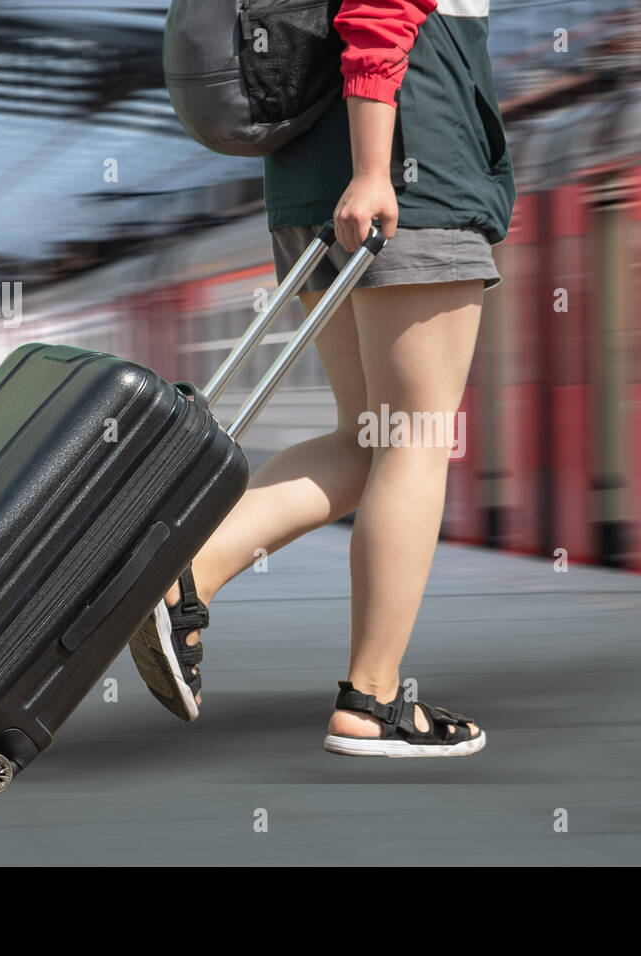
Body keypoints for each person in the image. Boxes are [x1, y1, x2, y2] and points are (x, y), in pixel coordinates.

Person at [129, 0, 515, 756]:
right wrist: (374, 170)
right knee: (416, 434)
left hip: (309, 182)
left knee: (365, 436)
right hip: (407, 168)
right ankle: (372, 702)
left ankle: (182, 577)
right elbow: (380, 12)